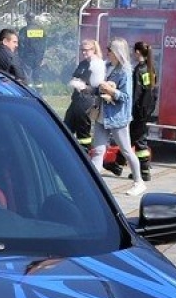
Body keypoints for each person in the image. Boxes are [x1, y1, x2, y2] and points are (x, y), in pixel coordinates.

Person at [92, 38, 144, 196]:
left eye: (110, 50)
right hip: (102, 116)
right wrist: (89, 88)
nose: (107, 52)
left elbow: (126, 97)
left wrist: (111, 91)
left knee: (127, 151)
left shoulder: (125, 71)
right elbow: (99, 86)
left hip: (117, 118)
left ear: (117, 52)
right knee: (98, 151)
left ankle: (139, 182)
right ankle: (93, 185)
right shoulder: (107, 66)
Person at [65, 39, 107, 153]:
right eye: (82, 50)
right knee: (65, 127)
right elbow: (76, 75)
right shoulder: (83, 63)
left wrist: (84, 87)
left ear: (93, 50)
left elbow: (98, 88)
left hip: (87, 101)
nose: (83, 52)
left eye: (86, 50)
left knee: (83, 131)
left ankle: (85, 154)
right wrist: (75, 82)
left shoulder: (97, 64)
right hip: (77, 99)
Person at [129, 40, 159, 180]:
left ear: (137, 52)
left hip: (138, 110)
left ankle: (144, 170)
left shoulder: (139, 69)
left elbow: (137, 92)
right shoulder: (151, 68)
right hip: (147, 109)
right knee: (139, 138)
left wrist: (131, 109)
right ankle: (143, 170)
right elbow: (153, 91)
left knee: (138, 139)